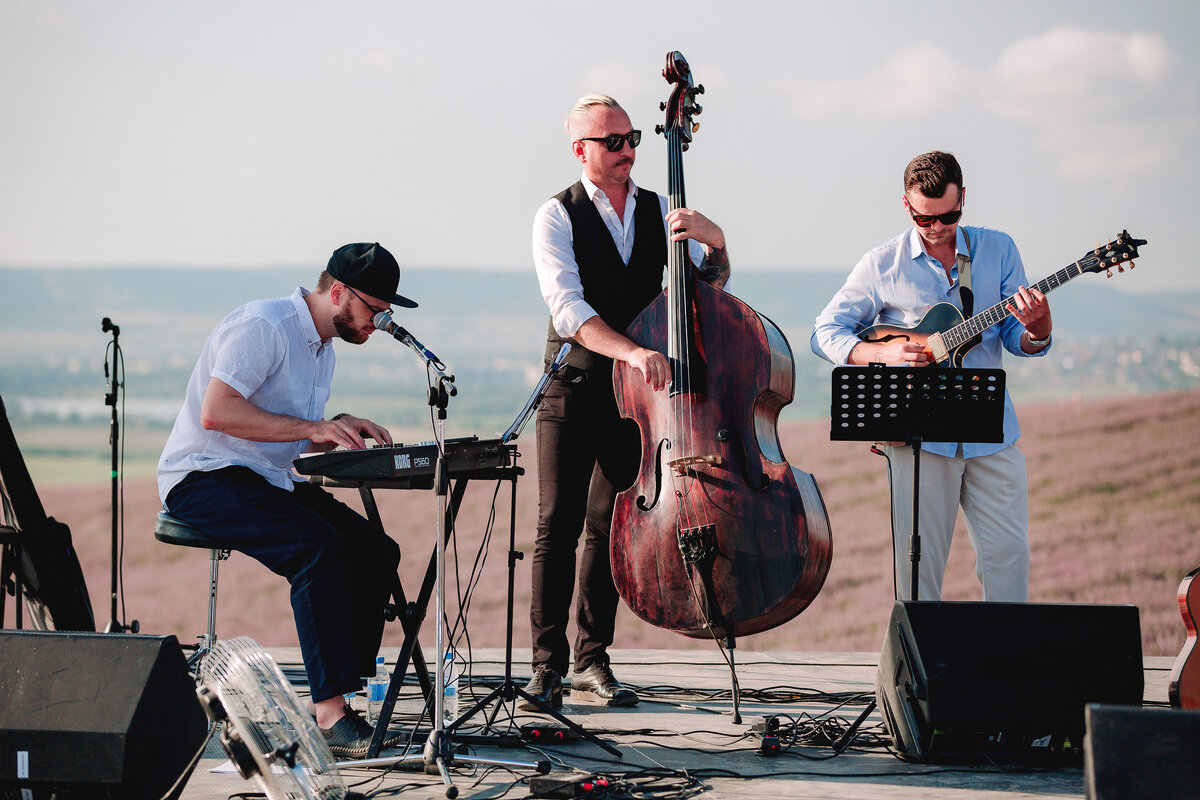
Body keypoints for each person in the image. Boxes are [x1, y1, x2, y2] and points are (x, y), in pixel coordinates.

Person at [156, 242, 418, 757]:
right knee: (316, 549)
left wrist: (331, 428)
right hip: (203, 476)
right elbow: (217, 412)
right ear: (337, 292)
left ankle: (346, 690)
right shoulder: (265, 326)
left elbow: (285, 432)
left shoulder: (323, 350)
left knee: (376, 550)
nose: (378, 324)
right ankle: (330, 715)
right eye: (374, 310)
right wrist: (312, 426)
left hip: (261, 477)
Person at [525, 94, 731, 710]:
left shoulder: (659, 207)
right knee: (555, 525)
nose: (627, 151)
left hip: (637, 397)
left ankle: (593, 661)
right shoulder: (555, 216)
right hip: (576, 384)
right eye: (611, 141)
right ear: (579, 149)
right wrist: (632, 352)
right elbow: (570, 313)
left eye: (631, 137)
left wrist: (718, 243)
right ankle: (546, 665)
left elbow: (706, 288)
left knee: (608, 523)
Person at [811, 151, 1052, 603]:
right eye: (926, 218)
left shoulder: (999, 249)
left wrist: (1039, 330)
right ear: (906, 206)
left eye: (950, 215)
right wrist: (879, 352)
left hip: (992, 432)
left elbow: (1018, 336)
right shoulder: (881, 263)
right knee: (917, 572)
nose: (939, 227)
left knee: (1010, 560)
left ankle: (1006, 668)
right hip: (918, 439)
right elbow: (824, 331)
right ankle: (919, 671)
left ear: (964, 199)